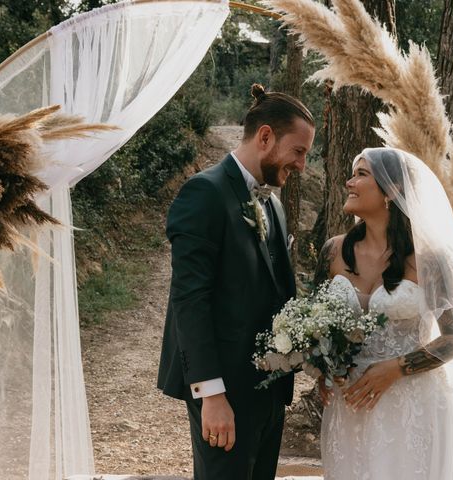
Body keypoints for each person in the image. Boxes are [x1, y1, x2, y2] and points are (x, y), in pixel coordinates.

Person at [314, 147, 453, 480]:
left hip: (413, 405)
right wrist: (323, 367)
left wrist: (397, 368)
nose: (349, 182)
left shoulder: (430, 260)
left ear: (392, 190)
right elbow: (315, 322)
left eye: (361, 174)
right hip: (351, 405)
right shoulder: (333, 251)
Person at [157, 83, 315, 479]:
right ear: (265, 137)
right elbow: (189, 300)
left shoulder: (273, 204)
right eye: (298, 151)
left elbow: (276, 293)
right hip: (224, 389)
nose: (302, 165)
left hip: (269, 390)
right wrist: (211, 395)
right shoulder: (203, 193)